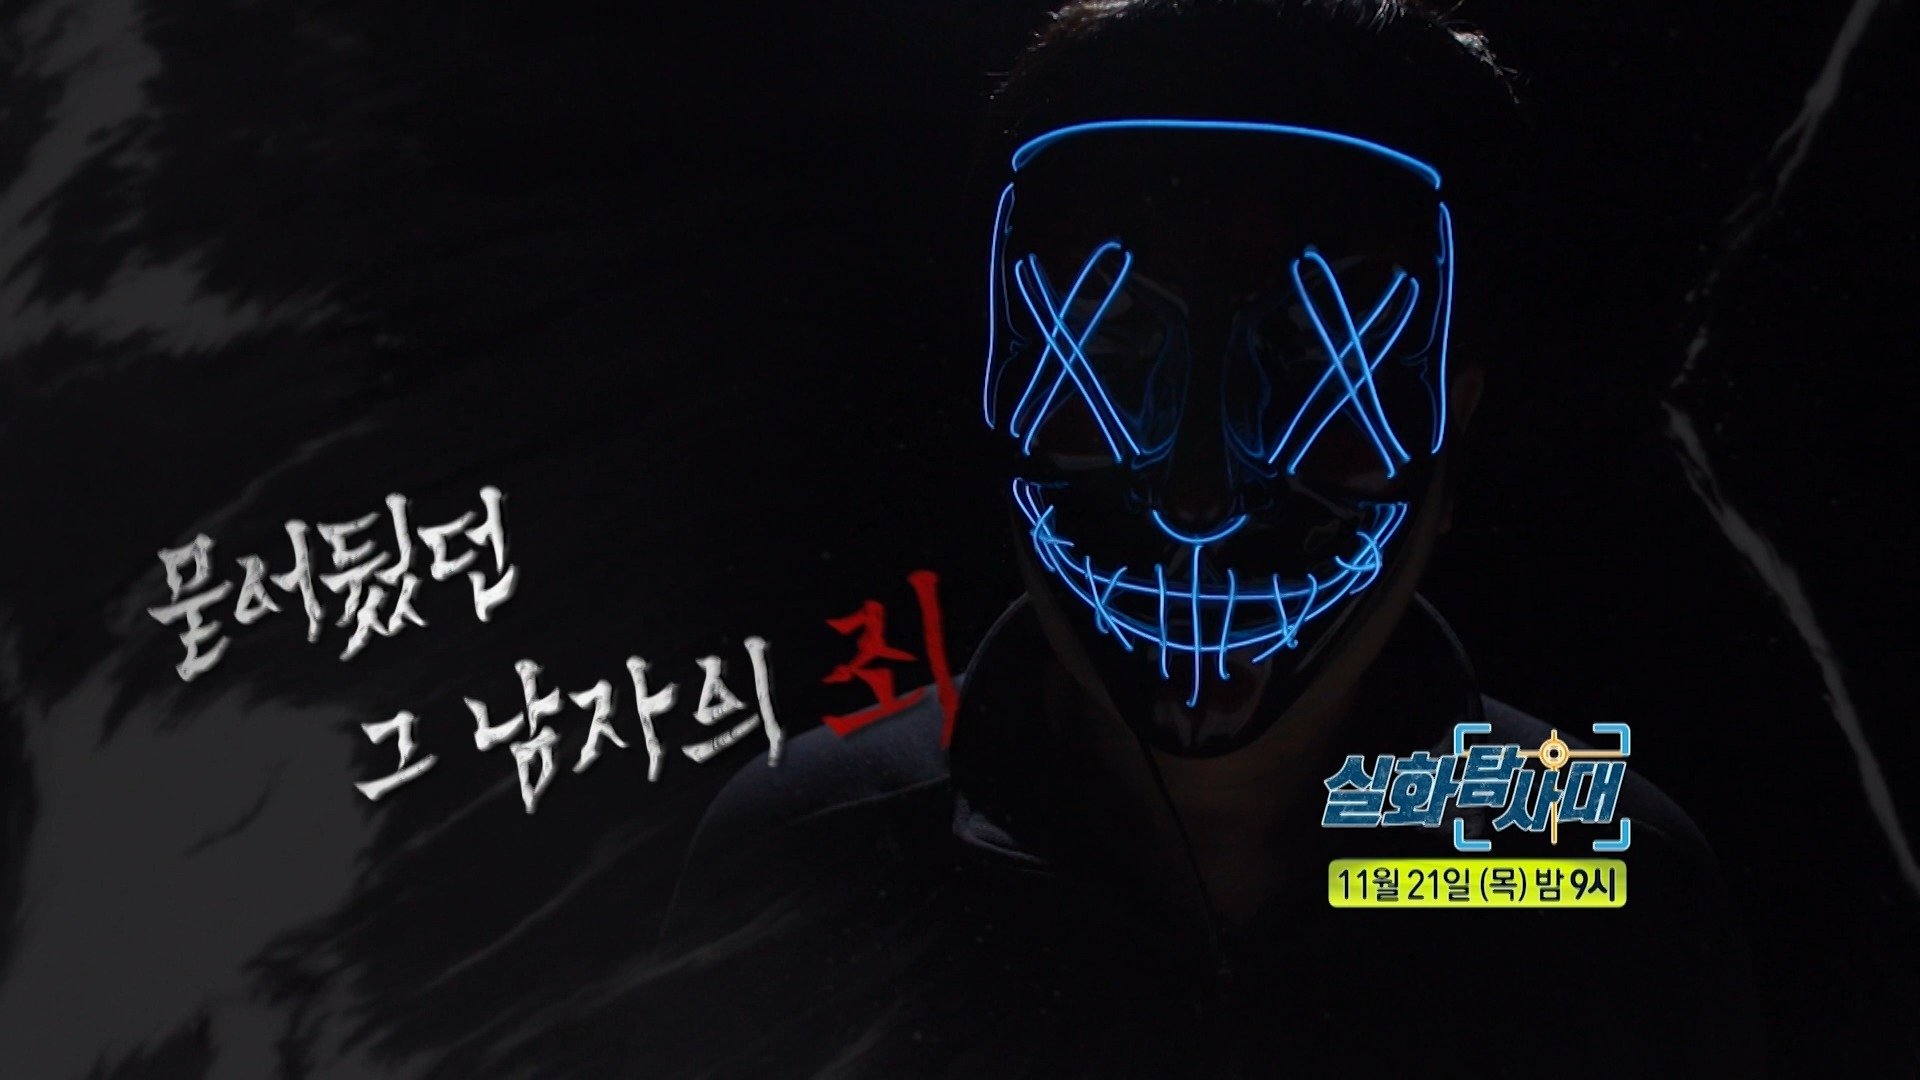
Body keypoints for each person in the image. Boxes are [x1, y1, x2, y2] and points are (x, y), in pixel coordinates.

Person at [653, 2, 1764, 1075]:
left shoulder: (1611, 893)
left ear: (1452, 425)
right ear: (996, 392)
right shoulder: (811, 862)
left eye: (1309, 358)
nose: (1199, 499)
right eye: (1114, 348)